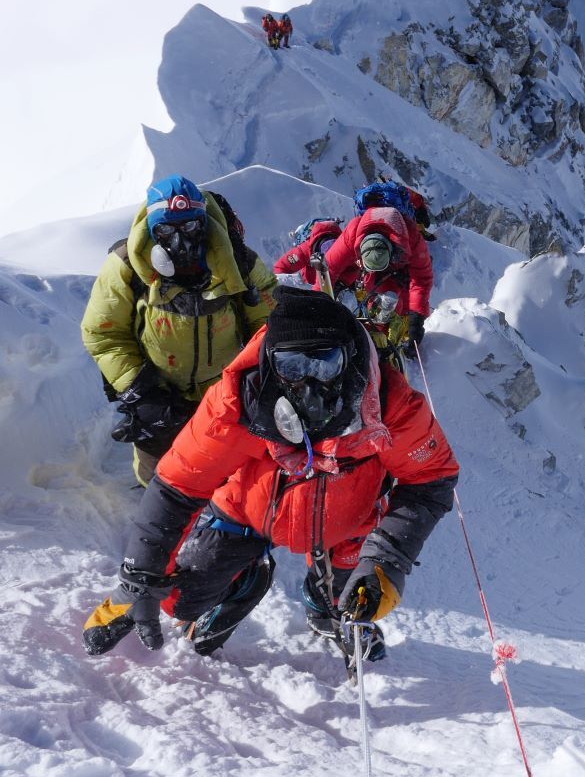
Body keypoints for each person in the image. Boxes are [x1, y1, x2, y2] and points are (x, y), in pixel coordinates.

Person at [82, 289, 458, 664]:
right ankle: (245, 580)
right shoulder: (236, 401)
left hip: (347, 525)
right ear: (270, 364)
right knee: (178, 600)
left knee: (356, 599)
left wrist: (385, 559)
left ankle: (325, 602)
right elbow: (179, 483)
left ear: (351, 361)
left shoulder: (391, 406)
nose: (309, 383)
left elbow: (431, 478)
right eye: (291, 368)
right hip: (248, 511)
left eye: (325, 364)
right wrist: (141, 576)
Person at [81, 175, 277, 486]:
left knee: (225, 473)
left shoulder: (235, 262)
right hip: (158, 389)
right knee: (157, 475)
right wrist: (140, 390)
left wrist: (253, 377)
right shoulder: (127, 266)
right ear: (151, 232)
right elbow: (102, 332)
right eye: (166, 230)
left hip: (222, 392)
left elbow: (268, 323)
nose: (180, 241)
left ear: (204, 225)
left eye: (189, 227)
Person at [322, 200, 434, 358]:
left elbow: (421, 280)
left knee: (395, 305)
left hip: (399, 271)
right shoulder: (353, 233)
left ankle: (384, 341)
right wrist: (320, 304)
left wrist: (417, 318)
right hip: (373, 268)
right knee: (374, 300)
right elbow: (327, 270)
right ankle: (374, 338)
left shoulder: (411, 238)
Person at [274, 217, 344, 287]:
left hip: (322, 261)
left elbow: (280, 268)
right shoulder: (338, 237)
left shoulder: (305, 248)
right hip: (343, 271)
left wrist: (298, 279)